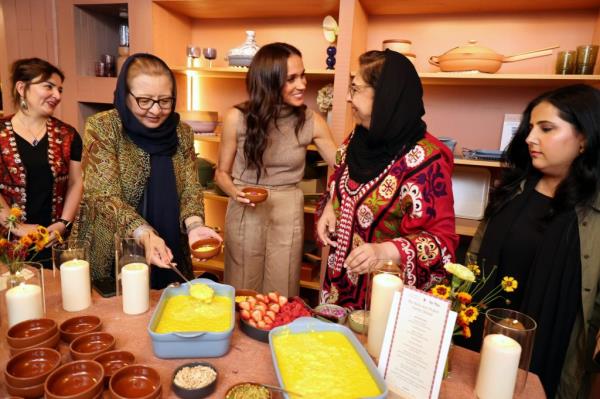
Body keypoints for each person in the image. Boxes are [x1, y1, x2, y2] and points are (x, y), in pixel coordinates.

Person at [468, 84, 600, 398]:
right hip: (481, 341)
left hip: (549, 357)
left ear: (584, 138)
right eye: (530, 128)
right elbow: (475, 258)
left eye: (547, 128)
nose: (529, 138)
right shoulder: (514, 189)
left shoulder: (594, 210)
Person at [316, 50, 458, 309]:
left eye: (355, 89)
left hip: (386, 298)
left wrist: (384, 251)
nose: (348, 97)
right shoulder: (356, 140)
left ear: (385, 96)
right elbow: (340, 182)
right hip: (339, 288)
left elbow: (442, 243)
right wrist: (329, 207)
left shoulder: (427, 160)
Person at [73, 53, 221, 289]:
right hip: (116, 247)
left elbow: (191, 188)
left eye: (164, 101)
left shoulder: (181, 132)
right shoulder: (103, 127)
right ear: (125, 94)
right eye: (144, 100)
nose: (155, 110)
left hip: (171, 239)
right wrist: (144, 234)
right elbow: (102, 196)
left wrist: (195, 225)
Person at [216, 42, 337, 296]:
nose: (303, 84)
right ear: (268, 81)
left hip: (287, 208)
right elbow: (221, 173)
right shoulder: (237, 118)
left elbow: (342, 168)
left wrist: (331, 204)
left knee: (282, 289)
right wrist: (234, 193)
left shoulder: (310, 120)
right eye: (291, 79)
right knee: (242, 287)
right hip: (246, 204)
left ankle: (275, 335)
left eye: (302, 75)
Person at [0, 58, 83, 267]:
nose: (57, 95)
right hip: (5, 244)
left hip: (52, 242)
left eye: (60, 90)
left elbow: (75, 182)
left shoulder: (68, 134)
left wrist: (63, 224)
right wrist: (17, 227)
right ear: (22, 87)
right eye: (48, 86)